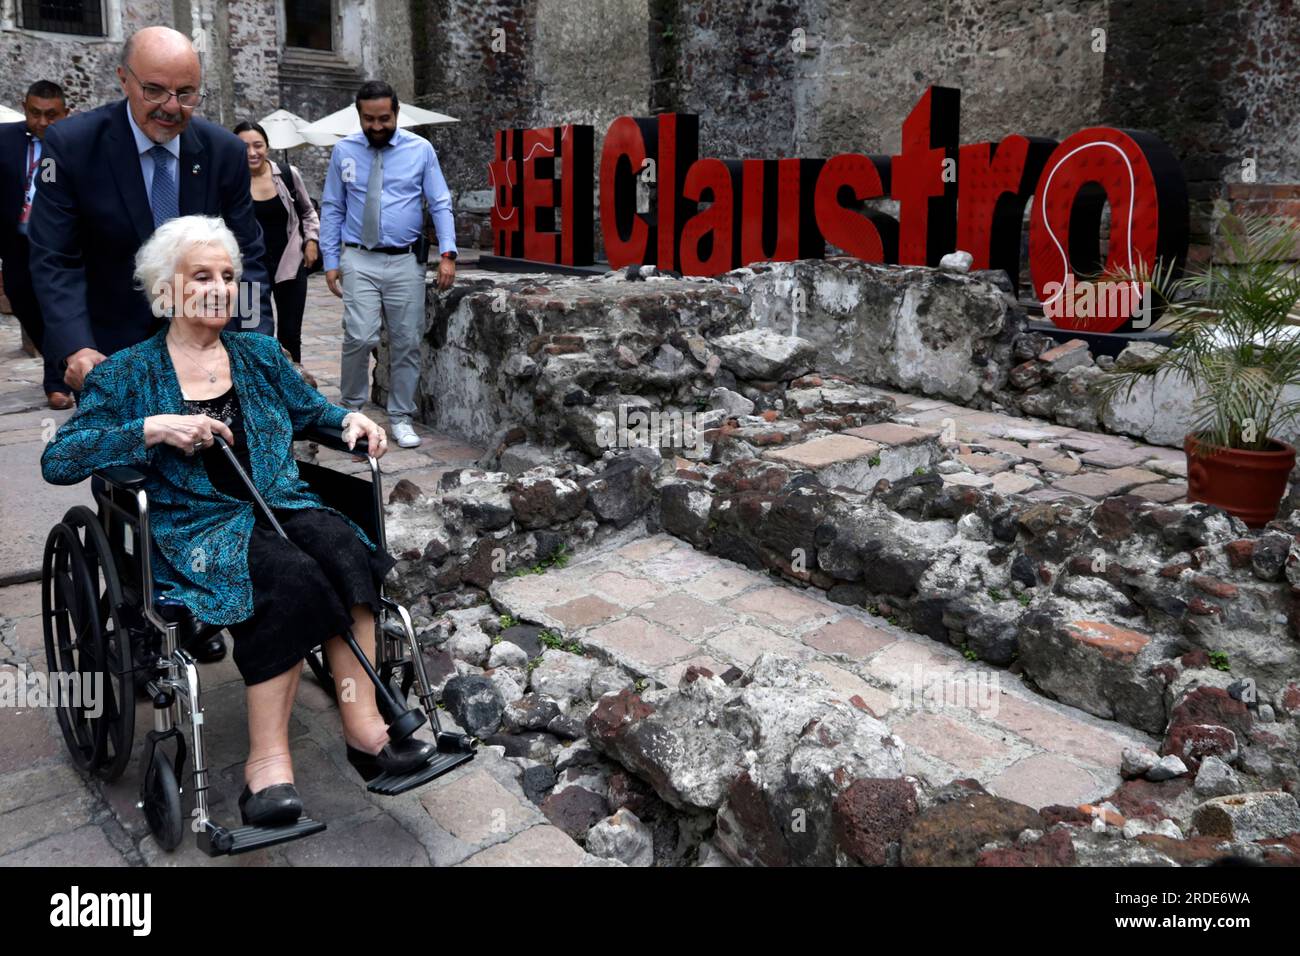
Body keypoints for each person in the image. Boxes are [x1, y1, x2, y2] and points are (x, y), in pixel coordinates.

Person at [40, 215, 434, 826]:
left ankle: (364, 725)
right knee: (288, 575)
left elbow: (313, 411)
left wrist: (348, 422)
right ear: (166, 291)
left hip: (279, 500)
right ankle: (267, 768)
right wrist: (153, 427)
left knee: (344, 548)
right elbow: (59, 458)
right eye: (202, 276)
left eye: (228, 275)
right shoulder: (127, 372)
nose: (221, 286)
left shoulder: (258, 353)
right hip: (194, 526)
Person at [27, 25, 274, 398]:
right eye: (154, 90)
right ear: (124, 79)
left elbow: (248, 258)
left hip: (207, 352)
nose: (171, 107)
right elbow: (55, 258)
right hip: (112, 354)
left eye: (187, 93)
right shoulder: (72, 146)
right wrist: (75, 345)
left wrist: (256, 340)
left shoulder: (224, 153)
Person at [319, 79, 458, 450]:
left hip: (405, 261)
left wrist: (448, 253)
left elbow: (440, 202)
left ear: (396, 113)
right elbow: (332, 207)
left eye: (384, 118)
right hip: (358, 257)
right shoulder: (343, 151)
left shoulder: (421, 150)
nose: (377, 126)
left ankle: (400, 416)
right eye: (369, 119)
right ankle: (349, 412)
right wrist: (330, 260)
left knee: (406, 341)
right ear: (358, 115)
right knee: (359, 336)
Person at [0, 80, 74, 409]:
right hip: (16, 240)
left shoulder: (74, 145)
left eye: (51, 115)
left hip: (60, 242)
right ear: (25, 107)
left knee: (55, 305)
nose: (42, 122)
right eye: (34, 113)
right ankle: (61, 362)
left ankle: (56, 381)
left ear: (65, 113)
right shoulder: (4, 139)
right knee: (20, 299)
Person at [233, 120, 319, 364]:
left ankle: (292, 388)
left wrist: (311, 240)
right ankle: (260, 387)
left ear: (267, 147)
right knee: (252, 334)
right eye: (244, 146)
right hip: (248, 270)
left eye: (257, 145)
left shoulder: (288, 175)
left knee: (290, 334)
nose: (252, 152)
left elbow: (308, 211)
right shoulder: (231, 181)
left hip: (289, 265)